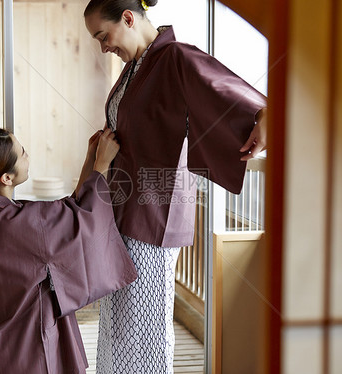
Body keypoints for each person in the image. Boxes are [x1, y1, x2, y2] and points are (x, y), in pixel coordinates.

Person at [83, 0, 268, 373]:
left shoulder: (175, 57)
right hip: (123, 211)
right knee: (120, 326)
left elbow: (229, 91)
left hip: (153, 215)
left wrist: (266, 116)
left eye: (104, 36)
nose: (104, 47)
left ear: (129, 18)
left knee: (143, 328)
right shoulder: (136, 67)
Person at [0, 127, 138, 374]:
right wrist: (102, 165)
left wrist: (91, 159)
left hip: (5, 340)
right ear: (6, 178)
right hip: (29, 340)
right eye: (21, 153)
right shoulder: (14, 223)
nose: (27, 156)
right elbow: (81, 218)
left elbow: (68, 209)